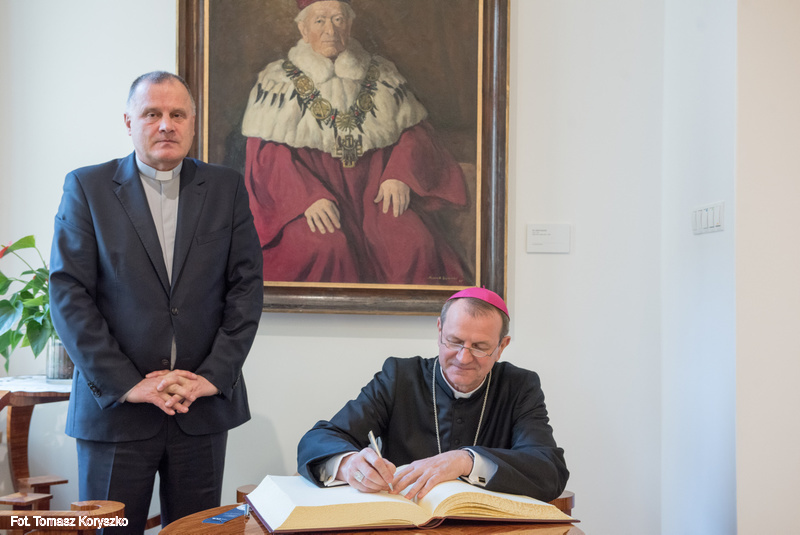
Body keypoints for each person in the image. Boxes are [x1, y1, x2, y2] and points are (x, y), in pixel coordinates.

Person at [49, 71, 263, 533]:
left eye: (177, 114)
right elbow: (68, 294)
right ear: (129, 122)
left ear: (192, 123)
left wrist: (211, 377)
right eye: (152, 114)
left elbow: (245, 290)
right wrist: (128, 384)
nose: (166, 124)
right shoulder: (87, 187)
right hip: (116, 411)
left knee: (196, 533)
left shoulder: (225, 188)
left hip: (199, 407)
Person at [241, 0, 470, 284]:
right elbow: (266, 155)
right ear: (303, 29)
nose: (330, 30)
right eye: (320, 21)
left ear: (349, 25)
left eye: (338, 19)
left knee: (414, 244)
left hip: (376, 193)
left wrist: (400, 175)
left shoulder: (382, 74)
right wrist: (306, 197)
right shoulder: (277, 81)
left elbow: (417, 133)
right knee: (326, 248)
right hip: (316, 198)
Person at [297, 287, 569, 502]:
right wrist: (349, 465)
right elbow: (318, 439)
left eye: (479, 347)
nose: (463, 358)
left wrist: (466, 460)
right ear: (439, 330)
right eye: (454, 341)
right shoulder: (399, 377)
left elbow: (549, 470)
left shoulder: (519, 387)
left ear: (501, 346)